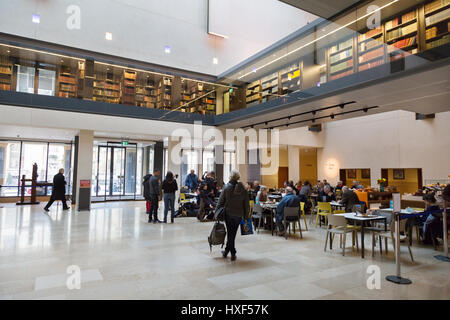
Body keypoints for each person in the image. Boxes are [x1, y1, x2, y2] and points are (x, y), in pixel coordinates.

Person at [216, 169, 249, 261]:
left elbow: (220, 201)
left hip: (229, 214)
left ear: (230, 177)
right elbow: (246, 204)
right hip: (239, 215)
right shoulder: (243, 189)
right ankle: (227, 251)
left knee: (231, 233)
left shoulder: (226, 188)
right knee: (232, 233)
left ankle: (232, 252)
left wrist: (216, 213)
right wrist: (246, 217)